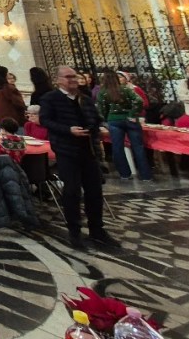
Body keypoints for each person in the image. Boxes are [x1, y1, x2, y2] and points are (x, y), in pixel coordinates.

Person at [40, 65, 118, 250]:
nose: (72, 80)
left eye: (74, 77)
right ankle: (74, 232)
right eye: (68, 77)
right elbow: (46, 121)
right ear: (58, 79)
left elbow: (95, 117)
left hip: (89, 150)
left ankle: (97, 230)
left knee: (94, 191)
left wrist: (100, 127)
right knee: (72, 191)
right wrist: (68, 130)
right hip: (67, 150)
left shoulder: (85, 98)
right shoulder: (50, 99)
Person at [96, 70, 153, 181]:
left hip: (114, 121)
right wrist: (132, 114)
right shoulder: (126, 89)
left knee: (118, 147)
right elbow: (139, 101)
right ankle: (146, 175)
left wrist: (108, 117)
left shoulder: (102, 93)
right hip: (130, 120)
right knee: (138, 147)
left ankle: (125, 174)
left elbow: (102, 109)